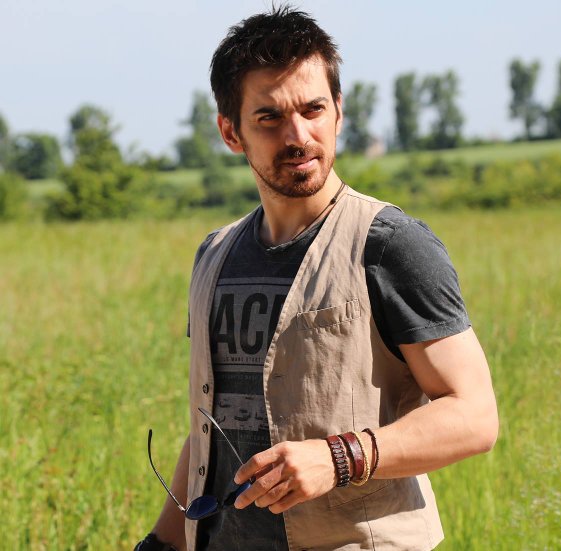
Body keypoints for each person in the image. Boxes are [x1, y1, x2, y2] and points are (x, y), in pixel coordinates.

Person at [137, 6, 498, 550]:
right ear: (230, 132)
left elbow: (474, 416)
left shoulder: (390, 244)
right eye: (270, 118)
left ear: (339, 112)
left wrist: (340, 457)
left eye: (313, 109)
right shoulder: (214, 255)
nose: (298, 135)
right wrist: (161, 544)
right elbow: (208, 430)